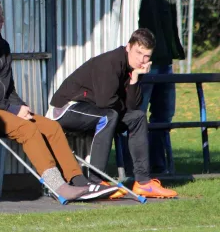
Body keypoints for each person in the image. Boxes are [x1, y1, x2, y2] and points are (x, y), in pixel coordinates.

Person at [0, 0, 118, 202]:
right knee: (27, 129)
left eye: (2, 14)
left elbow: (8, 86)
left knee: (51, 127)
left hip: (1, 107)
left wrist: (20, 105)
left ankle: (80, 182)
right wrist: (12, 110)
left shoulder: (2, 46)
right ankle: (57, 186)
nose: (2, 19)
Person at [49, 28, 177, 199]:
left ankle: (143, 182)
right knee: (108, 115)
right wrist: (125, 105)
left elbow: (133, 108)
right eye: (138, 53)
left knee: (138, 118)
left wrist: (134, 79)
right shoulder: (112, 61)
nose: (142, 60)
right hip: (65, 108)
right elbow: (105, 102)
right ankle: (96, 181)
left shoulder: (132, 69)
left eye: (147, 56)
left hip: (94, 110)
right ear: (128, 47)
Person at [138, 0, 186, 174]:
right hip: (148, 62)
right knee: (138, 116)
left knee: (163, 117)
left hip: (165, 59)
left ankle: (161, 165)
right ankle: (140, 167)